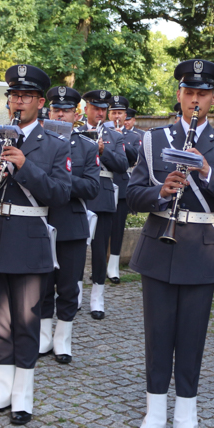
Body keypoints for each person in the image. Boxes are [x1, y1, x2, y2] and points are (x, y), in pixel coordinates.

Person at [126, 59, 214, 428]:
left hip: (199, 245)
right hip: (160, 239)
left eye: (202, 94)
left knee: (191, 339)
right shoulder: (153, 139)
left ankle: (186, 421)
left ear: (213, 98)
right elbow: (131, 194)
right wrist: (160, 191)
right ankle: (154, 416)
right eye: (188, 92)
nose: (195, 100)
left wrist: (210, 172)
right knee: (158, 335)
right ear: (179, 95)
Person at [0, 64, 72, 425]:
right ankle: (0, 389)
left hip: (30, 239)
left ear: (40, 102)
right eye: (14, 95)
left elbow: (60, 193)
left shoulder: (56, 144)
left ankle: (22, 395)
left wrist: (25, 166)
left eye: (26, 96)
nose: (18, 101)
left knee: (26, 321)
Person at [40, 86, 101, 363]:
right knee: (40, 285)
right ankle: (42, 336)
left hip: (71, 224)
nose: (60, 115)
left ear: (76, 115)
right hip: (40, 221)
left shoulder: (87, 146)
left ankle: (63, 338)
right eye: (55, 110)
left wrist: (59, 179)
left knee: (67, 286)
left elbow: (91, 188)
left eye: (65, 111)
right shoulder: (36, 142)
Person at [82, 89, 128, 319]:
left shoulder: (115, 136)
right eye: (95, 108)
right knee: (76, 247)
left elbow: (122, 164)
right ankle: (75, 291)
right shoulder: (76, 132)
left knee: (100, 250)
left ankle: (97, 296)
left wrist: (104, 150)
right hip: (78, 195)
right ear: (86, 109)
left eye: (103, 109)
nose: (100, 112)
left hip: (102, 194)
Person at [107, 95, 137, 283]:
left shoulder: (134, 136)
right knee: (101, 230)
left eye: (120, 113)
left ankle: (114, 267)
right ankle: (99, 264)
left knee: (117, 229)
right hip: (104, 186)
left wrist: (121, 140)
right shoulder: (101, 133)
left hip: (123, 185)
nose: (116, 116)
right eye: (113, 113)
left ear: (125, 116)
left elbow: (135, 157)